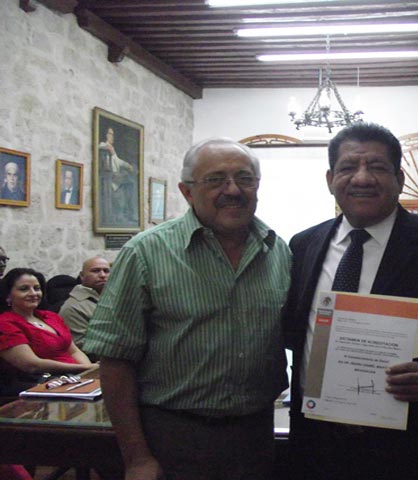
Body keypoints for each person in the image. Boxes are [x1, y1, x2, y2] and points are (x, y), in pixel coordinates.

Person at [283, 122, 418, 480]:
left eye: (377, 167)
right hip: (316, 446)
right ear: (330, 179)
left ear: (400, 178)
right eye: (348, 167)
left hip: (414, 450)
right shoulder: (302, 245)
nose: (362, 178)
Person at [84, 138, 291, 480]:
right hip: (173, 437)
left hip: (256, 436)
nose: (233, 190)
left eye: (244, 178)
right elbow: (115, 360)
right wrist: (137, 457)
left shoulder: (278, 251)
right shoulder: (145, 253)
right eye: (215, 179)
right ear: (187, 191)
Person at [0, 268, 94, 395]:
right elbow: (31, 365)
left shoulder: (51, 317)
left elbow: (74, 351)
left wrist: (89, 374)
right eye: (24, 289)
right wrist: (84, 368)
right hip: (41, 386)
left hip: (75, 378)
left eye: (37, 288)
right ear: (8, 295)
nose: (33, 293)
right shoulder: (5, 323)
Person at [58, 256, 111, 349]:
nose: (102, 275)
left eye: (106, 271)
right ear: (82, 276)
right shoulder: (73, 307)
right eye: (95, 271)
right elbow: (81, 346)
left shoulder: (113, 299)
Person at [98, 127, 136, 224]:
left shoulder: (112, 148)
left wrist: (128, 165)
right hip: (110, 176)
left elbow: (117, 161)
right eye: (110, 134)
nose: (112, 136)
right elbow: (100, 146)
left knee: (130, 182)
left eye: (112, 134)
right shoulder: (103, 145)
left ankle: (129, 212)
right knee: (128, 181)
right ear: (106, 135)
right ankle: (128, 212)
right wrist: (108, 147)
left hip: (116, 176)